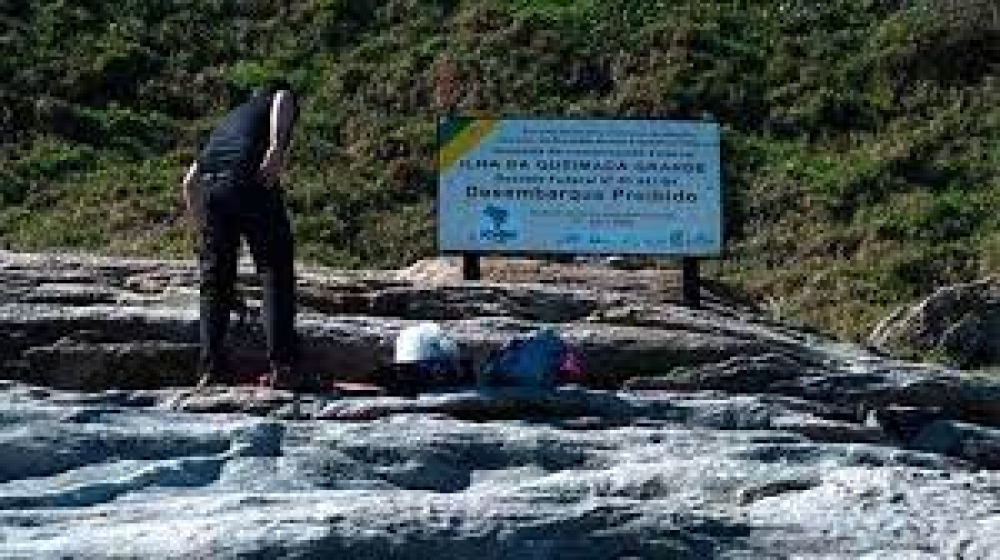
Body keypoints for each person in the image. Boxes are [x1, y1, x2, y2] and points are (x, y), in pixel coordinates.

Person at [180, 79, 304, 391]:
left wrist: (204, 230)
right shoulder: (274, 97)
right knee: (275, 270)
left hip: (212, 188)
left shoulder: (227, 123)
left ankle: (211, 369)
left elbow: (189, 182)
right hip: (249, 178)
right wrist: (276, 149)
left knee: (216, 282)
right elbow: (283, 97)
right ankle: (283, 366)